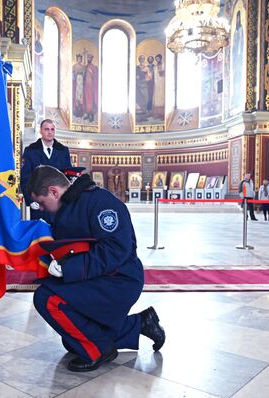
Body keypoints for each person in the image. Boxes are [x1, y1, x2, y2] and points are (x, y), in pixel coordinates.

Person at [28, 165, 165, 372]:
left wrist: (69, 268)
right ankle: (140, 324)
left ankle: (99, 351)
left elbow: (116, 250)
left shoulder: (101, 203)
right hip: (95, 275)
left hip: (119, 279)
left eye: (41, 202)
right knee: (72, 338)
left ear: (54, 192)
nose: (42, 208)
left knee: (47, 299)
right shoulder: (69, 204)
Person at [20, 119, 72, 222]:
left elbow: (68, 176)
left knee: (59, 235)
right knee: (41, 235)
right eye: (46, 129)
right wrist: (30, 201)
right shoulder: (30, 151)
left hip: (58, 203)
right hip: (39, 202)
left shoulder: (63, 151)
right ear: (41, 131)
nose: (50, 132)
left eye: (52, 129)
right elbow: (25, 178)